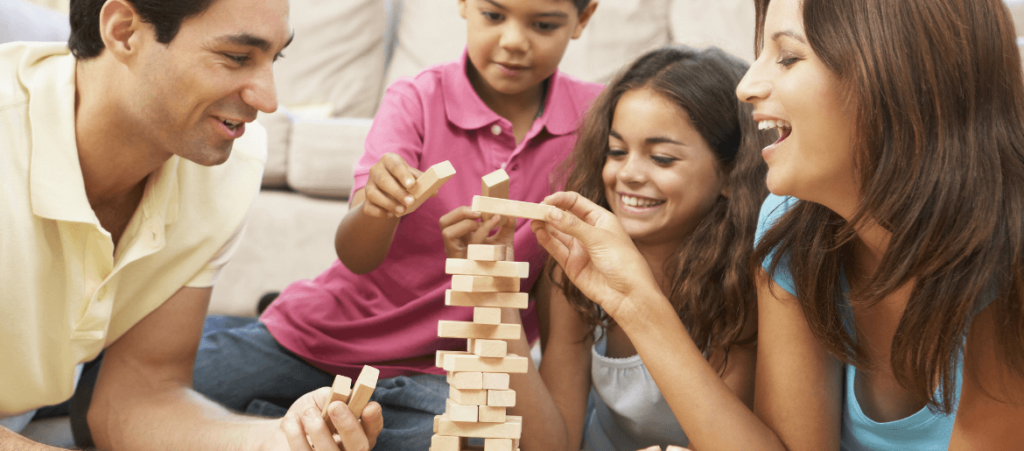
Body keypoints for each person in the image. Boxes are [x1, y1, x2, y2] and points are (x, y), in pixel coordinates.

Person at [529, 0, 1024, 449]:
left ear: (893, 74)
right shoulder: (790, 225)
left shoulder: (1009, 261)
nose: (746, 86)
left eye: (787, 57)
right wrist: (634, 301)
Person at [192, 0, 601, 449]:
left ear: (582, 18)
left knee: (465, 438)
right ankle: (287, 413)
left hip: (443, 375)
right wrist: (377, 209)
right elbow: (356, 256)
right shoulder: (417, 99)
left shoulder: (593, 122)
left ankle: (282, 420)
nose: (514, 41)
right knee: (169, 393)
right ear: (465, 4)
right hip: (322, 340)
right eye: (494, 15)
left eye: (542, 25)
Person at [0, 0, 383, 449]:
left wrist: (278, 441)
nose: (268, 100)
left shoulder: (224, 163)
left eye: (273, 58)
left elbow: (139, 395)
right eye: (236, 57)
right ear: (123, 31)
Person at [473, 45, 771, 451]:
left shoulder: (742, 284)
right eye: (616, 151)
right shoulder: (574, 268)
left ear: (732, 175)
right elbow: (553, 444)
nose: (628, 174)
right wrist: (499, 301)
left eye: (662, 158)